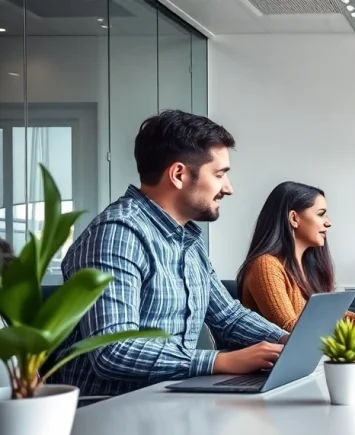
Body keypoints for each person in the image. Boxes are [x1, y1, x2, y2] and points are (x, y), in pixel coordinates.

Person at [52, 110, 290, 396]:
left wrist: (287, 341)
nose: (228, 188)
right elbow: (112, 350)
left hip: (167, 399)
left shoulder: (186, 239)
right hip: (110, 409)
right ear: (178, 174)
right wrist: (220, 361)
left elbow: (227, 316)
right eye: (219, 175)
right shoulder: (118, 234)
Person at [236, 181, 355, 337]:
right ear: (294, 218)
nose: (328, 222)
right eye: (321, 214)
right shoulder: (266, 266)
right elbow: (291, 330)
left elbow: (334, 318)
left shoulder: (304, 267)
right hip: (273, 373)